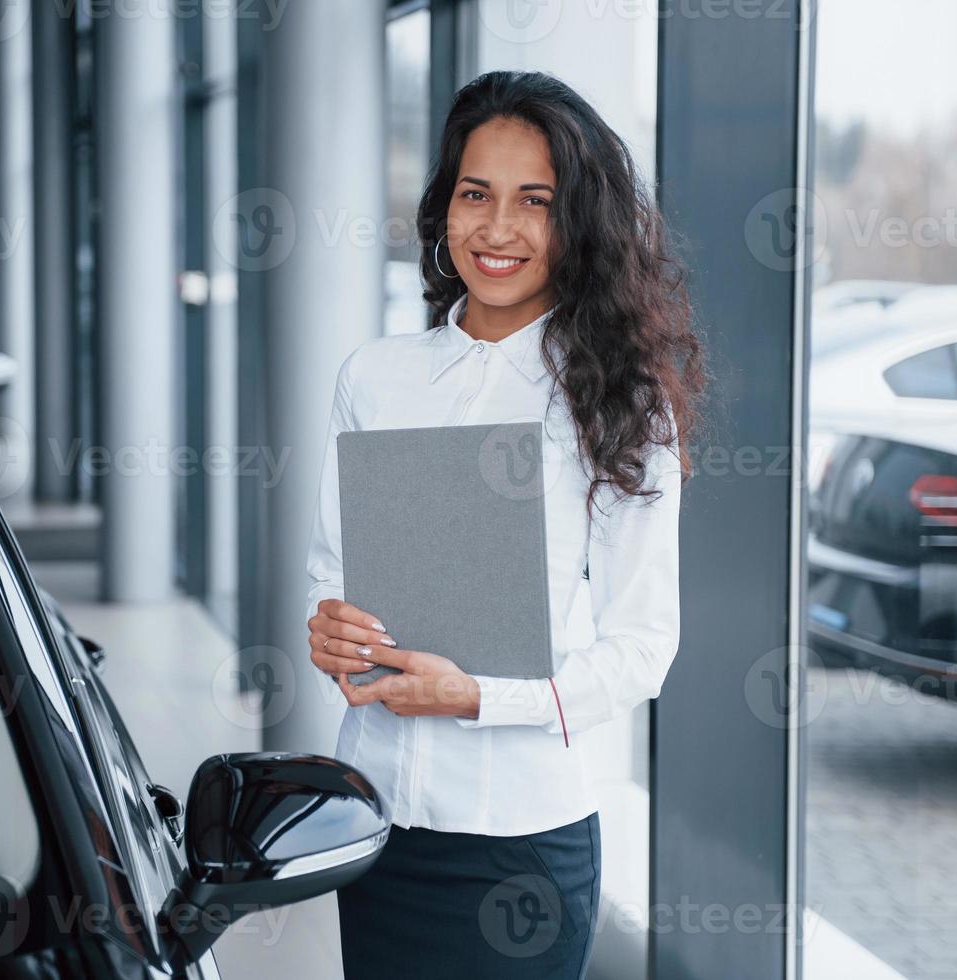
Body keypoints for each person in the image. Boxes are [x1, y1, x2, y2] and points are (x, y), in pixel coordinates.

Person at [303, 69, 707, 979]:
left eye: (536, 202)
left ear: (579, 226)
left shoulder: (620, 402)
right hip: (375, 828)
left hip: (518, 845)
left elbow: (643, 648)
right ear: (443, 204)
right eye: (474, 193)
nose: (496, 228)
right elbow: (330, 569)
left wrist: (480, 698)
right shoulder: (374, 376)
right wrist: (329, 627)